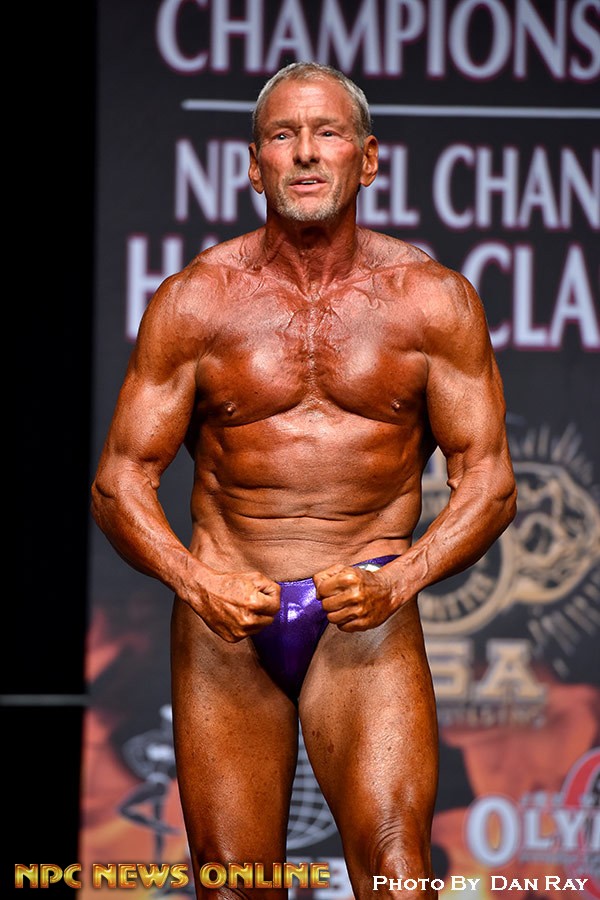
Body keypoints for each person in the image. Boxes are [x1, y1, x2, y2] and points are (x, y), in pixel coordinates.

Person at [91, 61, 517, 899]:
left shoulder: (433, 302)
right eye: (283, 136)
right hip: (227, 618)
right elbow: (118, 482)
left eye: (328, 133)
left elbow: (490, 482)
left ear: (369, 158)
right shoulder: (195, 302)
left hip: (365, 611)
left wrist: (399, 580)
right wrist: (198, 583)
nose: (307, 152)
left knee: (397, 873)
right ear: (255, 167)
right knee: (233, 885)